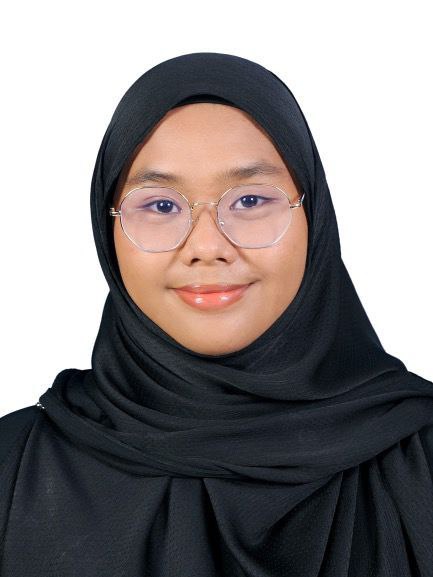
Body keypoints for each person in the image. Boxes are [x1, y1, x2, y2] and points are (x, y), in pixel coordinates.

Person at [1, 51, 432, 576]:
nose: (207, 247)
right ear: (107, 229)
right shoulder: (13, 468)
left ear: (314, 216)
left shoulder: (422, 460)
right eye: (161, 205)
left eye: (250, 201)